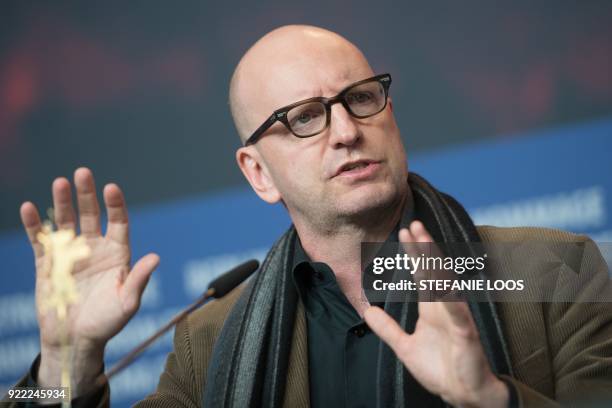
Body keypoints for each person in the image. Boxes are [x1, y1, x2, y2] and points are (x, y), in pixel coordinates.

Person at [5, 25, 612, 407]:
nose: (346, 131)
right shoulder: (207, 341)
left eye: (361, 98)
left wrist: (491, 401)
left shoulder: (555, 271)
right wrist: (64, 363)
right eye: (303, 118)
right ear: (258, 173)